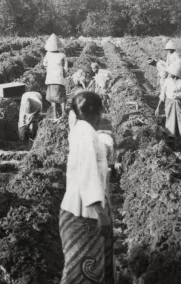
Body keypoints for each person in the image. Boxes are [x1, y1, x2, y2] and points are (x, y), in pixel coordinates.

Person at [60, 91, 114, 284]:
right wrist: (100, 212)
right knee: (81, 272)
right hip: (83, 213)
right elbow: (87, 171)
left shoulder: (82, 130)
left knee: (87, 269)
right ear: (95, 112)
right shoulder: (85, 132)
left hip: (85, 211)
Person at [155, 60, 181, 150]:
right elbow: (162, 95)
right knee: (170, 125)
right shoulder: (167, 82)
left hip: (178, 105)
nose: (169, 74)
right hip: (169, 105)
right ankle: (172, 147)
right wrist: (157, 107)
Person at [43, 33, 68, 120]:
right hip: (59, 79)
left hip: (50, 79)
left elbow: (44, 64)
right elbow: (65, 68)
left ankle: (54, 114)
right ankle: (64, 113)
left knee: (52, 98)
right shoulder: (62, 55)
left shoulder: (47, 54)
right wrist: (64, 74)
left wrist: (49, 69)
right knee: (62, 98)